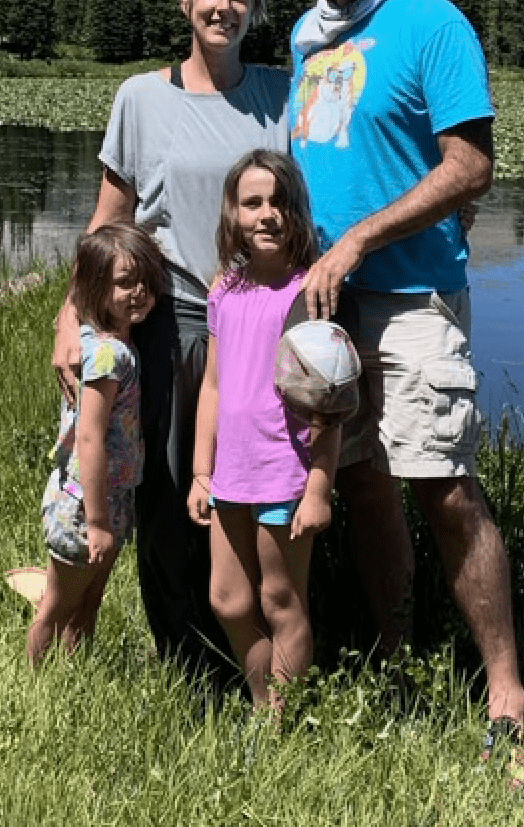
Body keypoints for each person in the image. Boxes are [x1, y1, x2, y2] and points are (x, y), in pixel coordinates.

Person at [290, 0, 524, 738]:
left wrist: (360, 238)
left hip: (414, 296)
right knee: (360, 482)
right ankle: (396, 662)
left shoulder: (434, 23)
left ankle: (507, 693)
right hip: (328, 308)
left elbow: (470, 167)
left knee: (442, 484)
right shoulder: (304, 37)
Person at [52, 0, 289, 678]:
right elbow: (109, 215)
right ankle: (184, 662)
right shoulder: (141, 98)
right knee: (163, 494)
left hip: (254, 321)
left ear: (254, 9)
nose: (225, 7)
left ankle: (246, 654)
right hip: (168, 321)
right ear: (187, 0)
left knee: (244, 488)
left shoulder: (280, 94)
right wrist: (71, 314)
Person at [186, 149, 340, 709]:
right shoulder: (223, 291)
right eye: (252, 203)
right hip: (230, 472)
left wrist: (318, 486)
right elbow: (213, 386)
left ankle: (276, 725)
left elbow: (330, 402)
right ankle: (264, 700)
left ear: (296, 214)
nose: (266, 214)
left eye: (278, 203)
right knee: (228, 600)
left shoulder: (307, 295)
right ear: (233, 216)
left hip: (285, 471)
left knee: (280, 599)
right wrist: (202, 471)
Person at [27, 222, 164, 665]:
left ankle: (74, 677)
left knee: (89, 601)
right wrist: (100, 522)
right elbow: (90, 435)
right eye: (125, 283)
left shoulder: (117, 343)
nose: (139, 292)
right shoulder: (107, 354)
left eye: (146, 280)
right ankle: (32, 682)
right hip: (85, 504)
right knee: (58, 603)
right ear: (94, 287)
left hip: (109, 496)